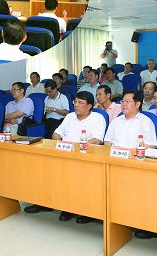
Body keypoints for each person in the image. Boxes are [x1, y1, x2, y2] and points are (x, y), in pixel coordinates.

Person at [25, 91, 106, 222]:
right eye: (75, 102)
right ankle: (44, 202)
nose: (77, 105)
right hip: (63, 152)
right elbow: (56, 134)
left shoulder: (97, 118)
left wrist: (75, 148)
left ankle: (70, 208)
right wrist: (60, 143)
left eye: (81, 103)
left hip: (84, 156)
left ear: (90, 106)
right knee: (41, 168)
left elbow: (97, 140)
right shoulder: (69, 116)